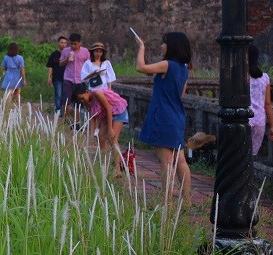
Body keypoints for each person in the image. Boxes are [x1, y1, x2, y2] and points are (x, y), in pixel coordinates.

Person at [135, 31, 192, 206]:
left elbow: (141, 67)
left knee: (166, 161)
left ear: (172, 46)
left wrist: (141, 47)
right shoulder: (184, 68)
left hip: (163, 115)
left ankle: (166, 201)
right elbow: (181, 93)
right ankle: (187, 200)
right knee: (180, 160)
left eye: (164, 42)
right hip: (177, 115)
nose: (162, 45)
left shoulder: (168, 64)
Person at [72, 83, 129, 176]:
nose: (82, 101)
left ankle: (117, 169)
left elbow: (109, 108)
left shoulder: (97, 94)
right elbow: (93, 117)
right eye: (80, 100)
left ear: (87, 92)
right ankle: (103, 163)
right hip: (107, 115)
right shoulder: (88, 102)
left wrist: (110, 128)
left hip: (118, 111)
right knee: (101, 137)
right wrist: (91, 134)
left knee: (113, 139)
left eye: (82, 98)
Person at [249, 45, 273, 155]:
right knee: (252, 155)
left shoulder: (242, 76)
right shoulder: (265, 78)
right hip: (259, 121)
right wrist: (272, 126)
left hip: (244, 120)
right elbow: (267, 104)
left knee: (241, 154)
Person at [59, 33, 91, 120]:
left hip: (81, 80)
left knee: (79, 101)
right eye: (71, 44)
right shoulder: (66, 51)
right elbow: (60, 64)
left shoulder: (85, 51)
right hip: (68, 78)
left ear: (80, 43)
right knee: (66, 100)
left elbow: (88, 65)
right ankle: (67, 118)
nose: (73, 46)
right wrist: (67, 59)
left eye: (75, 44)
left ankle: (77, 120)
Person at [46, 36, 68, 114]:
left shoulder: (69, 54)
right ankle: (58, 111)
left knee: (65, 95)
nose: (63, 44)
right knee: (58, 94)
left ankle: (65, 111)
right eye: (62, 43)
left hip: (67, 78)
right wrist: (49, 77)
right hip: (57, 77)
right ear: (58, 43)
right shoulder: (54, 54)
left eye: (65, 43)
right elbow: (50, 66)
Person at [0, 42, 26, 106]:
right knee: (17, 92)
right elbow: (22, 69)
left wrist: (4, 73)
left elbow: (3, 67)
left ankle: (8, 107)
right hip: (17, 75)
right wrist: (24, 79)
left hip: (9, 75)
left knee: (9, 92)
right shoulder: (20, 58)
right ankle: (18, 106)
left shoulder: (6, 57)